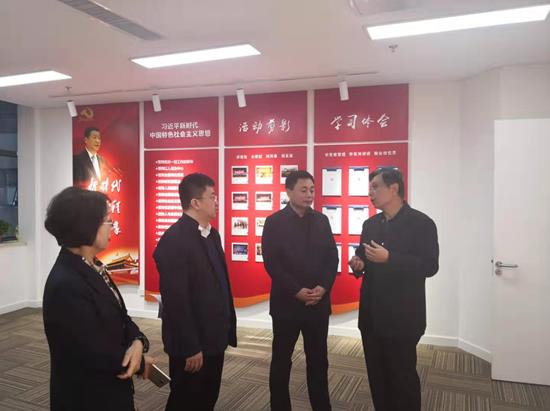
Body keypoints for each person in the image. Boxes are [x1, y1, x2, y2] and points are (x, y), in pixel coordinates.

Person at [43, 187, 152, 411]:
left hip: (109, 390)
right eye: (107, 220)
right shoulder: (67, 283)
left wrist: (138, 341)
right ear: (86, 226)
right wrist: (139, 363)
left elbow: (121, 316)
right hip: (87, 397)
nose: (112, 225)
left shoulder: (92, 266)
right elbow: (90, 350)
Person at [349, 167, 439, 411]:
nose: (370, 193)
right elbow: (362, 256)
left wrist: (390, 258)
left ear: (394, 188)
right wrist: (358, 264)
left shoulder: (421, 223)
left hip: (402, 318)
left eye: (375, 187)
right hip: (371, 316)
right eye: (370, 188)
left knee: (402, 379)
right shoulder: (370, 224)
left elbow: (430, 266)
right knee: (377, 378)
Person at [153, 173, 237, 411]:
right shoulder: (174, 240)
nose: (217, 202)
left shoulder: (212, 234)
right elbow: (176, 301)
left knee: (207, 398)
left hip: (213, 337)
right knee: (185, 400)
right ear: (195, 203)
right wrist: (190, 346)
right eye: (212, 197)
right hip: (192, 344)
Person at [262, 170, 339, 411]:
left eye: (312, 190)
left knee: (318, 361)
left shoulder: (322, 221)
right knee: (281, 360)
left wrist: (323, 287)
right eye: (303, 190)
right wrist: (296, 290)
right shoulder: (274, 222)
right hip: (287, 304)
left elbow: (332, 258)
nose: (309, 195)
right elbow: (272, 263)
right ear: (289, 191)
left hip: (317, 304)